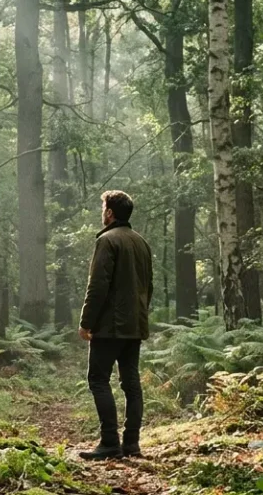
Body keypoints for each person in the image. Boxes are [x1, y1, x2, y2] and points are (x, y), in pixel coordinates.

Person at [77, 190, 153, 460]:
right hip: (135, 325)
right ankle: (131, 444)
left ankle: (110, 442)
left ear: (109, 213)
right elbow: (148, 287)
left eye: (103, 208)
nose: (102, 212)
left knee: (98, 379)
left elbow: (97, 286)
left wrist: (86, 323)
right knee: (131, 383)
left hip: (109, 326)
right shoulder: (141, 243)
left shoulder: (107, 241)